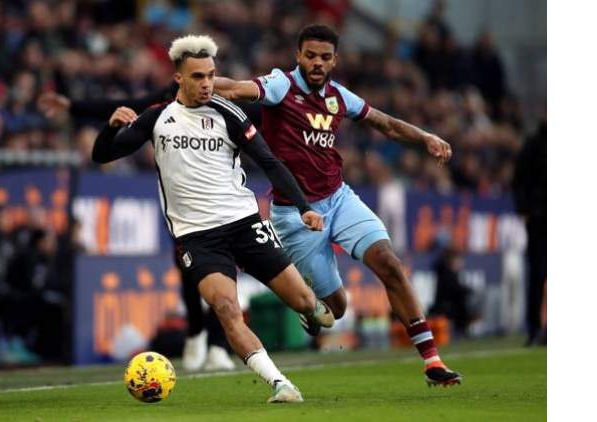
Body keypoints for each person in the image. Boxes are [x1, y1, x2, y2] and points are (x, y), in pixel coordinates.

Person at [213, 24, 461, 386]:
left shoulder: (339, 97)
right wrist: (201, 85)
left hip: (339, 198)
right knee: (337, 310)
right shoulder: (282, 85)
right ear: (298, 56)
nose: (317, 63)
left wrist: (425, 137)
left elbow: (387, 124)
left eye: (324, 57)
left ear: (335, 60)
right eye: (310, 55)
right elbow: (238, 89)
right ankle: (310, 310)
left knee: (390, 263)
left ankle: (432, 362)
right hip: (295, 214)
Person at [92, 34, 334, 403]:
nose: (206, 84)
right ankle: (280, 384)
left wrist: (305, 207)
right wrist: (110, 127)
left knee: (305, 302)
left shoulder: (229, 113)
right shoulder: (158, 118)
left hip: (243, 223)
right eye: (197, 77)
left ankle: (309, 309)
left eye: (210, 75)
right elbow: (102, 156)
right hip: (197, 237)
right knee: (225, 308)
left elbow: (270, 162)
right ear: (178, 78)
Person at [38, 84, 239, 372]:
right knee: (190, 272)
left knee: (225, 270)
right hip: (182, 203)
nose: (202, 80)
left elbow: (260, 115)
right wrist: (73, 106)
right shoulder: (169, 98)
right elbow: (126, 104)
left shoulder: (221, 99)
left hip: (222, 197)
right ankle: (196, 335)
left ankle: (219, 345)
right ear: (179, 74)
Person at [512, 120, 547, 346]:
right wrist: (524, 209)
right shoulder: (535, 144)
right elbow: (519, 180)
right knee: (537, 274)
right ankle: (534, 329)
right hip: (540, 218)